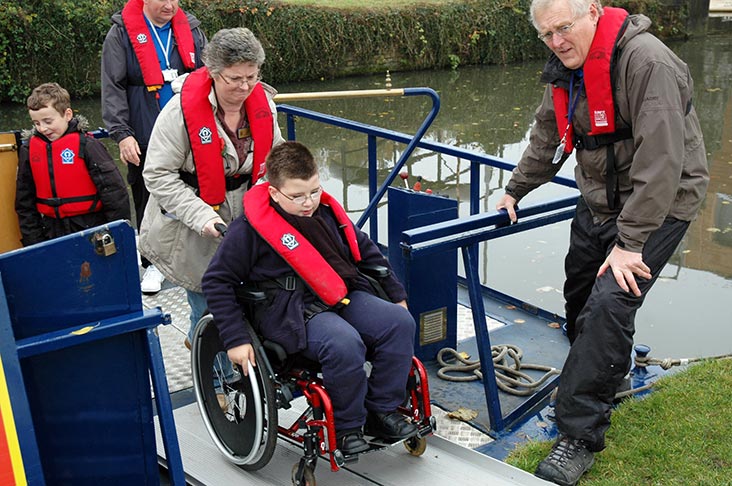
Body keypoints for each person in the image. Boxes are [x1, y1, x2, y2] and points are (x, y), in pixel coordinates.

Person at [495, 0, 710, 484]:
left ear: (593, 11)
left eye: (564, 28)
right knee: (578, 294)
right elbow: (546, 136)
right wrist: (514, 190)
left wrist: (630, 244)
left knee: (610, 301)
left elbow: (661, 162)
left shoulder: (647, 62)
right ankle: (605, 375)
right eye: (546, 34)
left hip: (662, 199)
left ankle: (579, 435)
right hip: (599, 197)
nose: (556, 41)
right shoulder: (564, 67)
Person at [202, 141, 418, 455]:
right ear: (274, 192)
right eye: (298, 195)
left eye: (314, 191)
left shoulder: (326, 212)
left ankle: (381, 410)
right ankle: (347, 427)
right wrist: (235, 339)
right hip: (288, 310)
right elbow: (216, 280)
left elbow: (365, 249)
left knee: (399, 322)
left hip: (340, 294)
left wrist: (396, 294)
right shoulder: (247, 230)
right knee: (344, 344)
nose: (309, 203)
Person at [138, 27, 284, 349]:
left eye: (252, 76)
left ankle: (201, 343)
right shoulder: (178, 112)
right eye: (235, 79)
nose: (245, 87)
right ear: (214, 73)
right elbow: (157, 175)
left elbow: (276, 157)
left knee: (247, 301)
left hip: (245, 215)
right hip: (193, 223)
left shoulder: (264, 106)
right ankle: (213, 372)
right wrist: (201, 216)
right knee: (209, 305)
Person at [101, 0, 207, 294]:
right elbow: (112, 86)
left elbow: (210, 73)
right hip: (145, 130)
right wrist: (122, 134)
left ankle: (199, 257)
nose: (170, 5)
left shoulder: (193, 29)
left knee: (195, 191)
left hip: (189, 131)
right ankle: (152, 265)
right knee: (147, 196)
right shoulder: (120, 33)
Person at [15, 83, 131, 246]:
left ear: (67, 114)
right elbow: (24, 201)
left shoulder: (89, 146)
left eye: (48, 121)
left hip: (91, 227)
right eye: (36, 123)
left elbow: (115, 193)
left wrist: (117, 234)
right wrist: (33, 240)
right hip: (50, 229)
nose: (43, 128)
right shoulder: (29, 149)